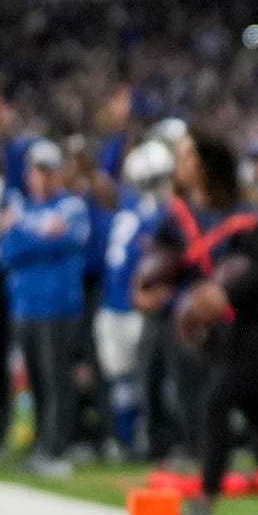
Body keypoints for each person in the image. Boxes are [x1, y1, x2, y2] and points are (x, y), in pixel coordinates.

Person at [134, 129, 258, 515]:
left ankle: (204, 504)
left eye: (188, 156)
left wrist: (223, 292)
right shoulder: (178, 217)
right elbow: (161, 262)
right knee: (257, 413)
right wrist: (148, 290)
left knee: (216, 403)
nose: (180, 164)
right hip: (220, 336)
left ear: (208, 163)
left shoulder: (245, 215)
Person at [0, 139, 92, 476]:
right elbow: (8, 251)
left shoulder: (72, 206)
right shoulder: (21, 207)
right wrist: (40, 237)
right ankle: (40, 443)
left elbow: (69, 239)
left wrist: (23, 234)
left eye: (49, 171)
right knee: (34, 380)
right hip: (26, 306)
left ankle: (57, 447)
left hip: (59, 306)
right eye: (38, 170)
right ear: (28, 173)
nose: (43, 177)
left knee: (56, 379)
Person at [98, 139, 172, 456]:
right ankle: (126, 439)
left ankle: (151, 438)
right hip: (114, 303)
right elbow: (100, 184)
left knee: (147, 379)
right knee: (121, 380)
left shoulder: (163, 214)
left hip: (139, 307)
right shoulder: (128, 206)